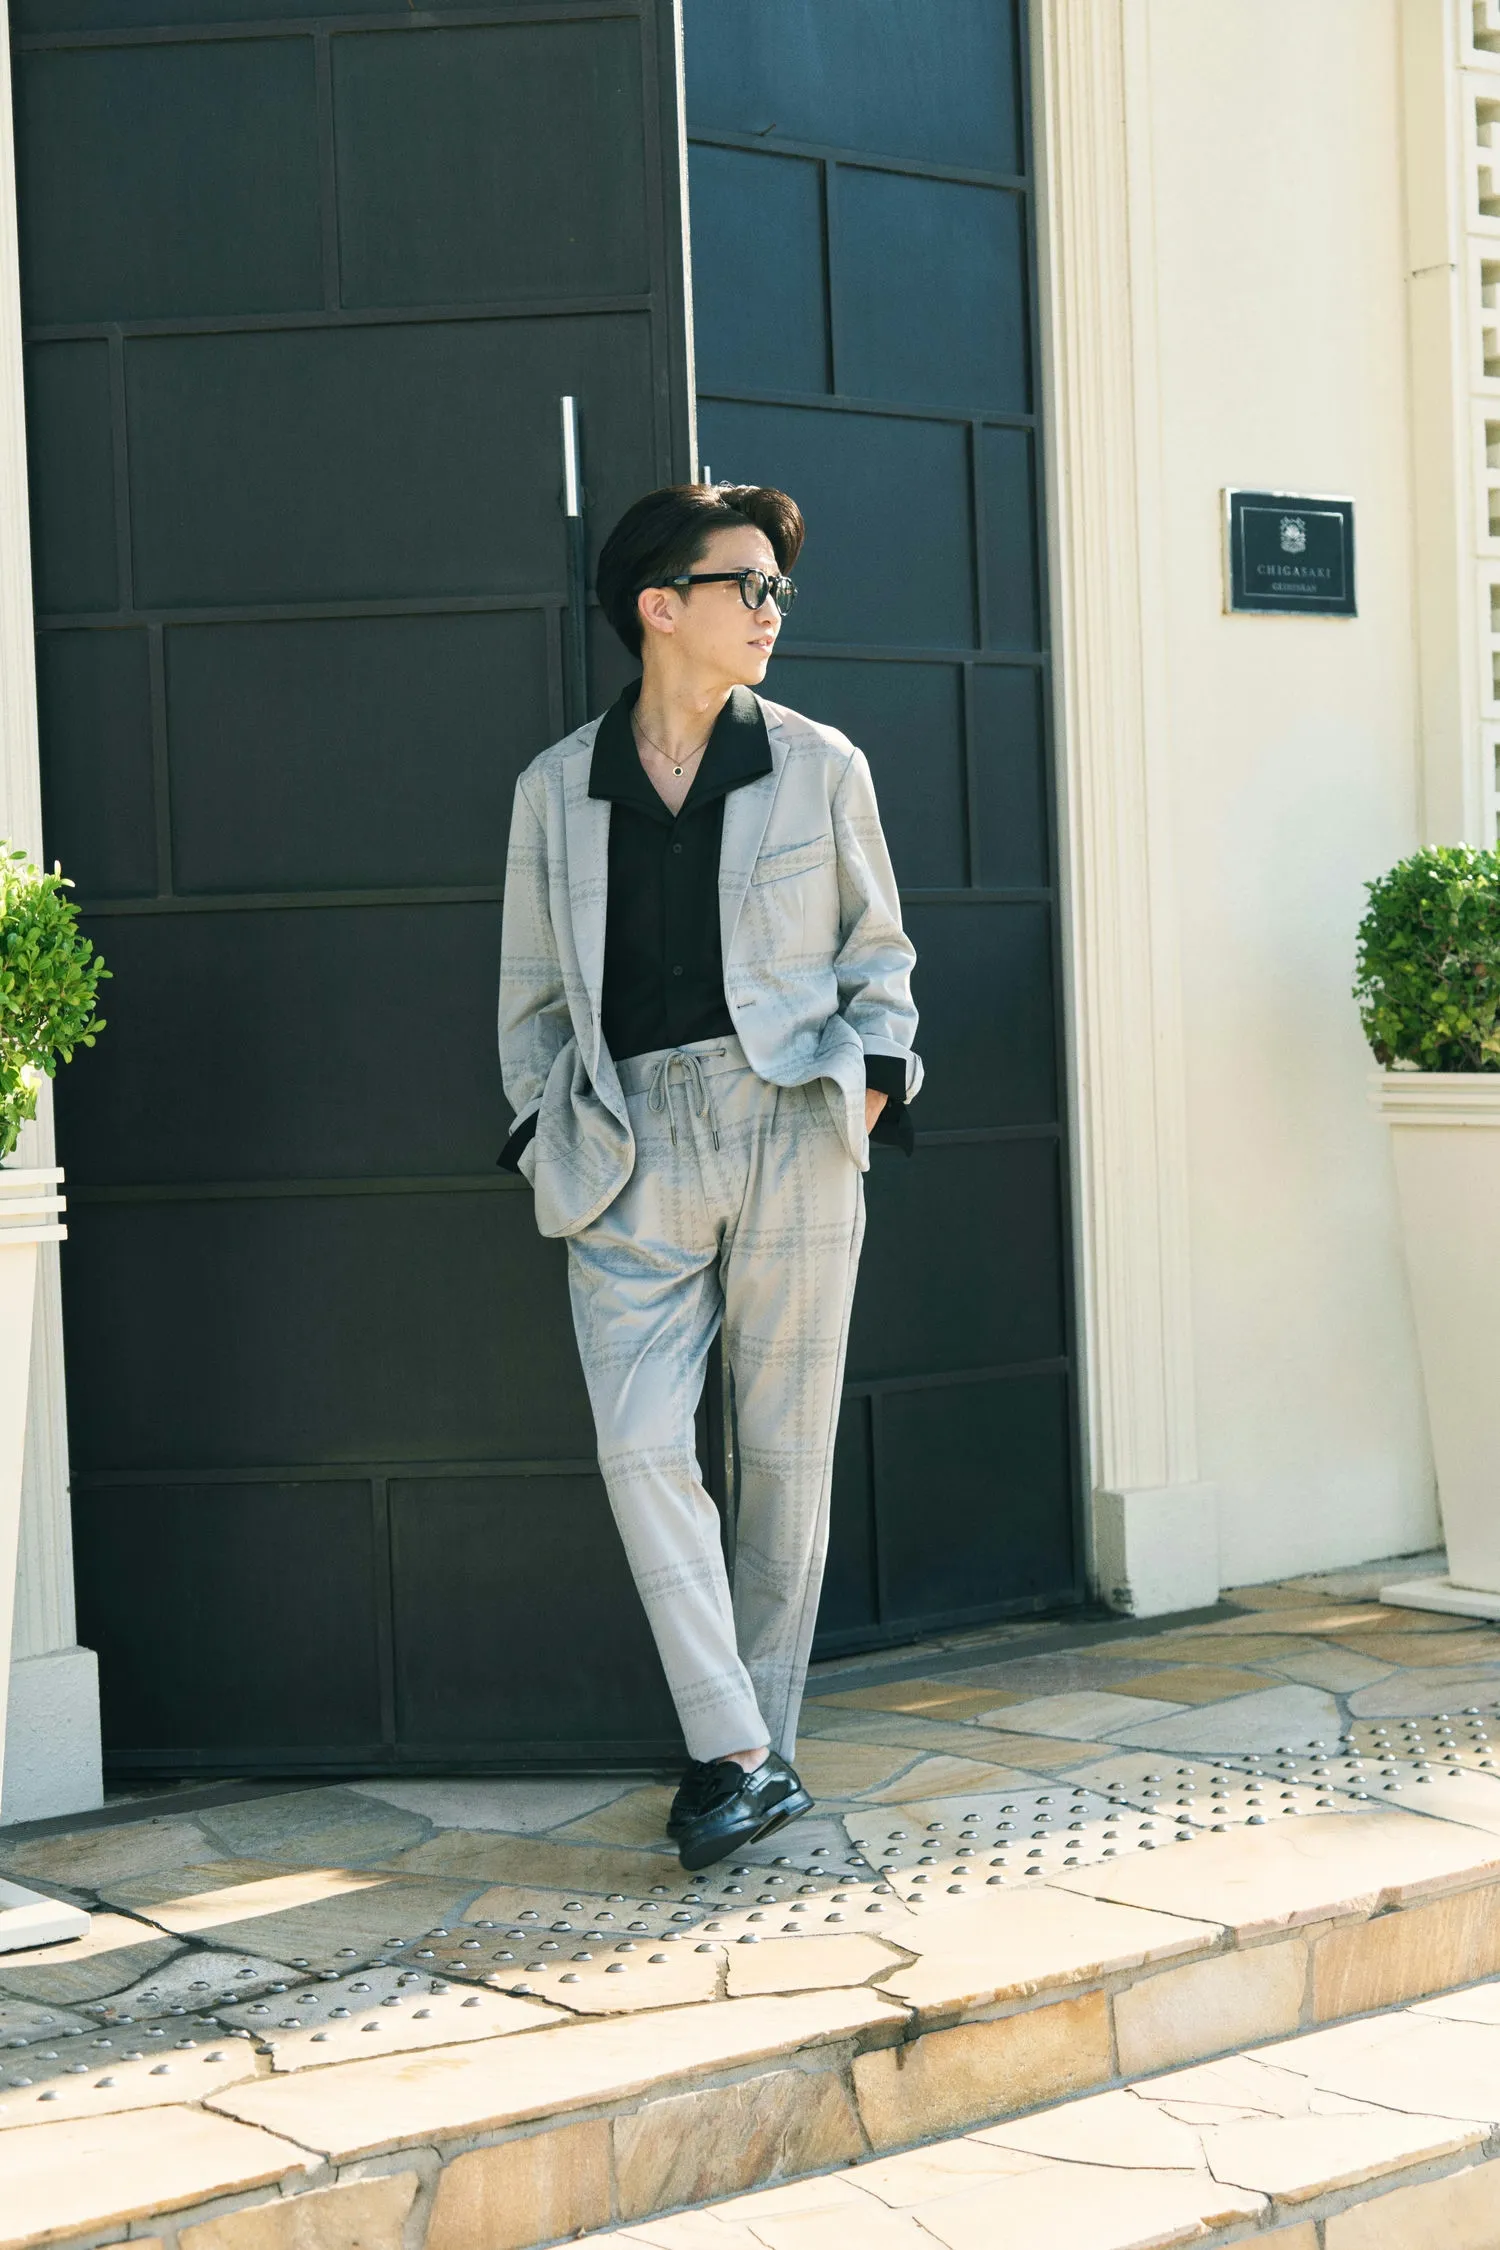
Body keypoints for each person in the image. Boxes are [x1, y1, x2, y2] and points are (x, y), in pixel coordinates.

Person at [498, 482, 920, 1870]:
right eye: (748, 585)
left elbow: (880, 960)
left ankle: (744, 1757)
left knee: (785, 1457)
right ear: (659, 607)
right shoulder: (555, 790)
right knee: (639, 1443)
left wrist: (859, 1094)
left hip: (790, 1117)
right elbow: (530, 1006)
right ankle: (739, 1747)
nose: (771, 611)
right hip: (627, 1145)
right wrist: (547, 1131)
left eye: (777, 589)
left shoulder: (819, 764)